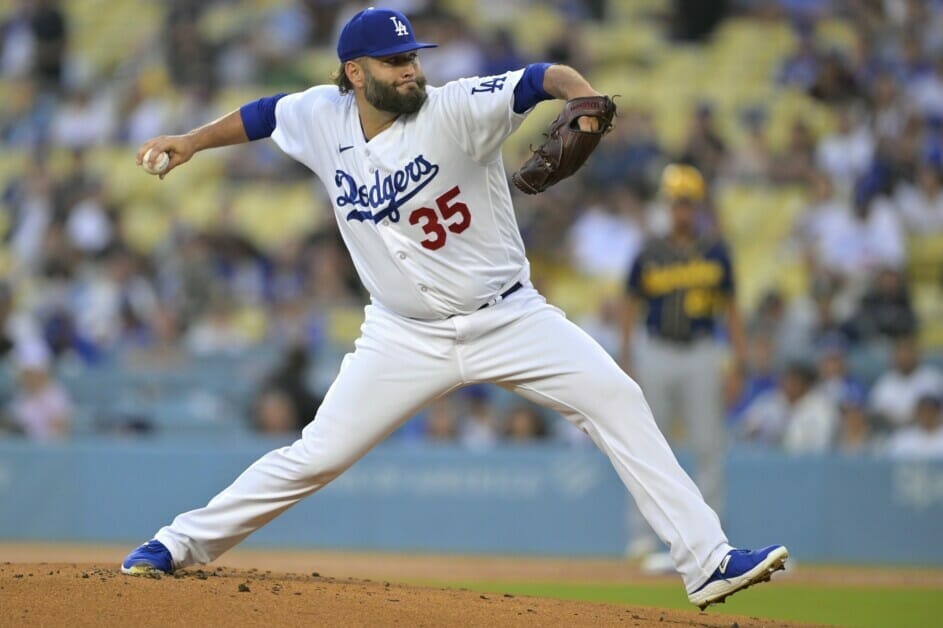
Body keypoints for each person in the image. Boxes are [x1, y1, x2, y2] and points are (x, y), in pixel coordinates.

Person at [119, 8, 786, 609]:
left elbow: (539, 77)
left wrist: (579, 96)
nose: (411, 71)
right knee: (317, 455)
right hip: (401, 336)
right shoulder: (321, 114)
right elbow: (265, 113)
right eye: (395, 61)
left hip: (507, 318)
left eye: (414, 57)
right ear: (354, 73)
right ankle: (178, 545)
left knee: (615, 397)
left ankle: (707, 561)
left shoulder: (455, 107)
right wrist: (191, 141)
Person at [620, 163, 747, 562]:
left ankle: (712, 539)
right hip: (656, 351)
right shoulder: (649, 251)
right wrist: (626, 357)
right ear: (666, 205)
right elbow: (629, 304)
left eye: (687, 204)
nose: (681, 211)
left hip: (701, 352)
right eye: (676, 203)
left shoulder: (716, 249)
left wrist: (738, 364)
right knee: (646, 446)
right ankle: (642, 536)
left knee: (708, 446)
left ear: (697, 206)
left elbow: (731, 309)